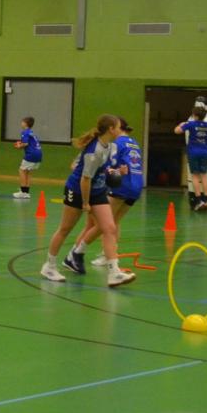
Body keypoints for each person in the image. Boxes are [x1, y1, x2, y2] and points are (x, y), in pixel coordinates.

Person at [41, 115, 135, 287]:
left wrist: (118, 173)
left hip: (97, 191)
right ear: (111, 129)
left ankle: (114, 273)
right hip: (78, 190)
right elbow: (85, 179)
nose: (120, 130)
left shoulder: (109, 146)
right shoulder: (94, 151)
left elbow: (103, 171)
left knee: (109, 228)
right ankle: (49, 266)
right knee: (65, 229)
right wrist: (85, 203)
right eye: (118, 127)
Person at [90, 119, 145, 276]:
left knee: (105, 222)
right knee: (115, 221)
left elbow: (109, 166)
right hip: (136, 185)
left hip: (122, 185)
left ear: (118, 127)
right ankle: (111, 253)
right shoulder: (134, 143)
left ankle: (104, 255)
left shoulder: (117, 144)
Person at [13, 117, 42, 200]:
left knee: (21, 170)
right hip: (39, 154)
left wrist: (19, 146)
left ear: (25, 124)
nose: (21, 123)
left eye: (22, 122)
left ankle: (22, 192)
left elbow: (25, 143)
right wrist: (21, 143)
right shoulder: (31, 132)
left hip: (31, 154)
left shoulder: (25, 132)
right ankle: (26, 192)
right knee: (28, 172)